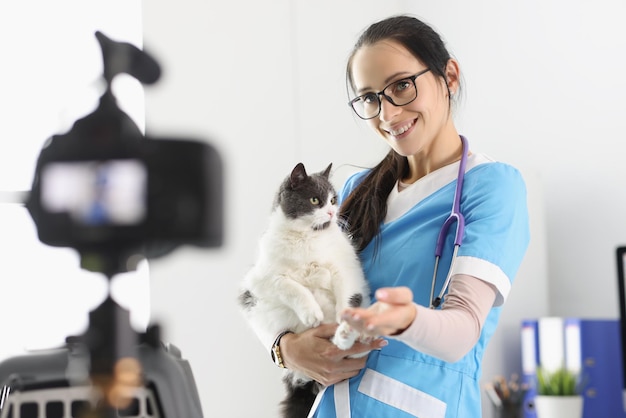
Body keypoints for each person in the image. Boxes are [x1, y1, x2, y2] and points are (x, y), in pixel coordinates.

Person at [276, 14, 530, 417]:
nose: (388, 114)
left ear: (449, 76)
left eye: (401, 86)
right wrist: (286, 349)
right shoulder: (358, 189)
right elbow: (282, 282)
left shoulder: (493, 186)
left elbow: (462, 331)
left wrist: (406, 319)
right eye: (371, 98)